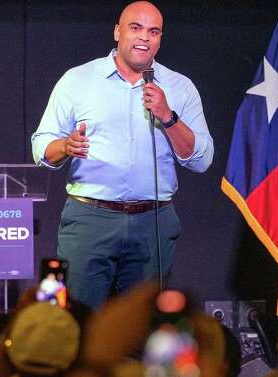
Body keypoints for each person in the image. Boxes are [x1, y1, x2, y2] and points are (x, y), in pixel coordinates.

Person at [31, 1, 213, 309]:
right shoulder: (77, 80)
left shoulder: (179, 87)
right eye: (136, 28)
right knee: (75, 320)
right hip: (90, 219)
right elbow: (41, 145)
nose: (144, 37)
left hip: (152, 222)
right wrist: (65, 146)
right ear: (117, 32)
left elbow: (202, 159)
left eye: (153, 31)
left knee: (139, 330)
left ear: (160, 39)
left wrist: (168, 116)